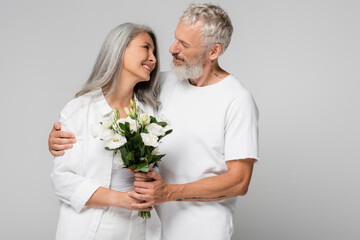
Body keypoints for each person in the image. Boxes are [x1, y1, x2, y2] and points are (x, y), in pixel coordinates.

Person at [49, 4, 259, 240]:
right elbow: (110, 101)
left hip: (202, 229)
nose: (171, 49)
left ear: (213, 51)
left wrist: (168, 193)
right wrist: (60, 134)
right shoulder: (162, 85)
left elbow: (239, 181)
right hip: (152, 228)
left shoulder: (237, 99)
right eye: (175, 39)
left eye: (184, 44)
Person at [50, 22, 161, 240]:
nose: (154, 59)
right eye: (146, 48)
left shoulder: (151, 113)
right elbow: (62, 179)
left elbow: (161, 168)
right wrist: (121, 199)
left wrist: (149, 179)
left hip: (139, 228)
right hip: (91, 228)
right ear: (119, 49)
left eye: (154, 52)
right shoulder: (79, 109)